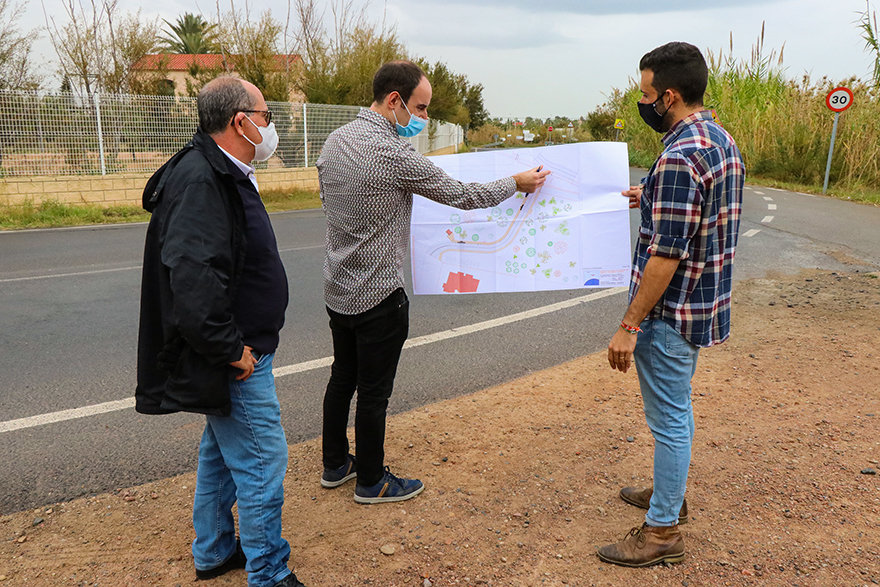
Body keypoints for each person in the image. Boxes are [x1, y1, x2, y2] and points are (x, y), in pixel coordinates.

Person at [316, 60, 550, 504]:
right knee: (374, 393)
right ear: (394, 101)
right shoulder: (393, 155)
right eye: (421, 109)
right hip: (379, 294)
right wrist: (515, 183)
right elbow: (463, 195)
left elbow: (328, 201)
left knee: (342, 376)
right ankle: (371, 481)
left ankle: (335, 464)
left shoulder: (334, 141)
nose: (424, 119)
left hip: (338, 288)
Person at [135, 76, 306, 587]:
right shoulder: (202, 179)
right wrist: (232, 351)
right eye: (266, 115)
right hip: (238, 354)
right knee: (260, 458)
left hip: (243, 345)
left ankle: (212, 550)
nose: (269, 125)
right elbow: (191, 276)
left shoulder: (223, 169)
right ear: (241, 121)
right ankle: (269, 573)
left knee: (221, 455)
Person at [598, 42, 744, 567]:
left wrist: (628, 325)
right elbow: (702, 211)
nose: (643, 102)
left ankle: (662, 531)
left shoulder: (681, 155)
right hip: (702, 306)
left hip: (669, 315)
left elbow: (665, 256)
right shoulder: (718, 140)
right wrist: (652, 193)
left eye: (646, 94)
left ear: (671, 95)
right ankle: (669, 494)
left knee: (669, 419)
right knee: (675, 412)